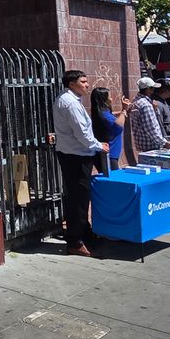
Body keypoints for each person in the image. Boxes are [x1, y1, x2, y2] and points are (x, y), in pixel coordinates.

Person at [53, 70, 109, 257]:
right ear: (72, 84)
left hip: (77, 153)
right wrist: (98, 146)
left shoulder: (71, 100)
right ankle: (75, 240)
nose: (87, 85)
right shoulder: (70, 104)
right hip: (75, 155)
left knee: (80, 197)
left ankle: (84, 233)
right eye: (83, 81)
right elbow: (82, 133)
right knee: (78, 198)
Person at [129, 77, 170, 154]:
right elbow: (150, 128)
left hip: (143, 143)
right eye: (152, 88)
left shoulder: (136, 101)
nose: (154, 90)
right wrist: (164, 142)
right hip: (150, 145)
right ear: (148, 89)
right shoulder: (145, 105)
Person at [90, 87, 129, 171]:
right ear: (104, 100)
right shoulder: (104, 115)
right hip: (109, 155)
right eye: (109, 97)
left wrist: (122, 111)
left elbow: (112, 117)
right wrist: (124, 110)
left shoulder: (100, 113)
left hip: (110, 154)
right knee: (113, 180)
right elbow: (118, 126)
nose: (111, 99)